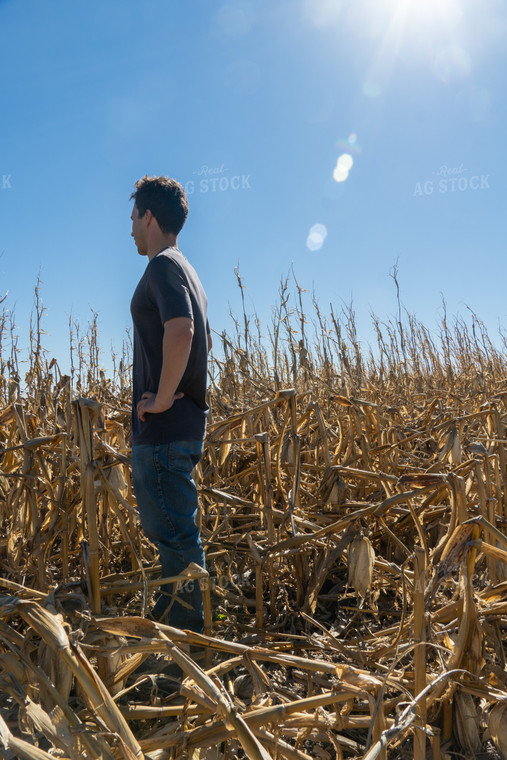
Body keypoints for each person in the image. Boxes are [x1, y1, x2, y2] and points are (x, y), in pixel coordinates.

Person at [129, 175, 211, 632]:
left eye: (134, 219)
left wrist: (160, 399)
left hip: (164, 433)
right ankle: (186, 628)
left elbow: (181, 331)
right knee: (180, 537)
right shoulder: (187, 270)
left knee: (176, 539)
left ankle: (183, 646)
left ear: (149, 216)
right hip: (181, 428)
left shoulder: (162, 266)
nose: (131, 231)